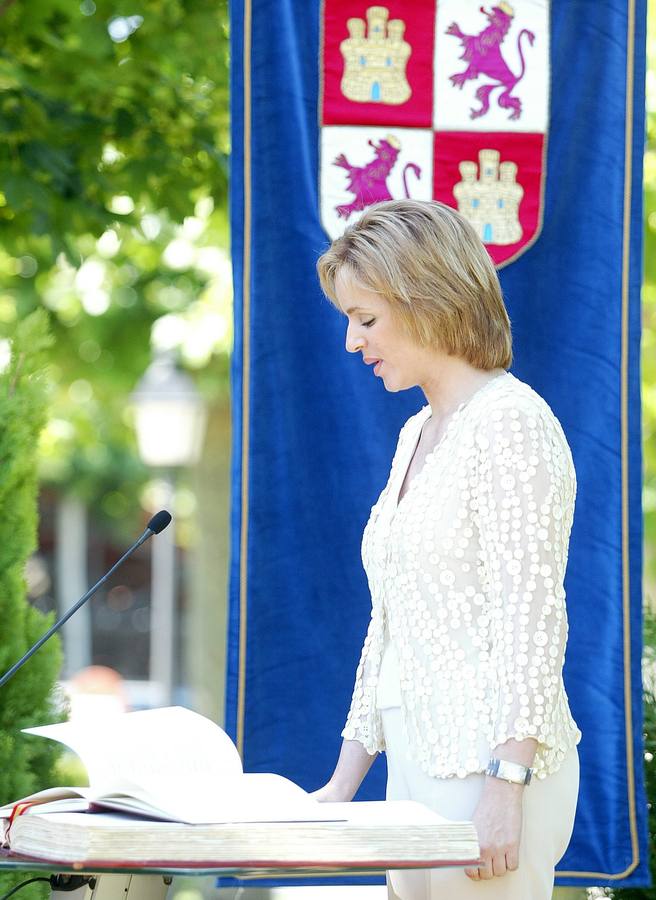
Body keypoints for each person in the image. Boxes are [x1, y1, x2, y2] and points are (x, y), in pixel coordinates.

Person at [313, 199, 581, 899]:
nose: (352, 342)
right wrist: (343, 785)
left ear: (428, 299)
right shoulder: (415, 435)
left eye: (365, 319)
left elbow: (532, 617)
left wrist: (506, 786)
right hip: (418, 767)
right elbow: (391, 626)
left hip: (489, 773)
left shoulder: (511, 424)